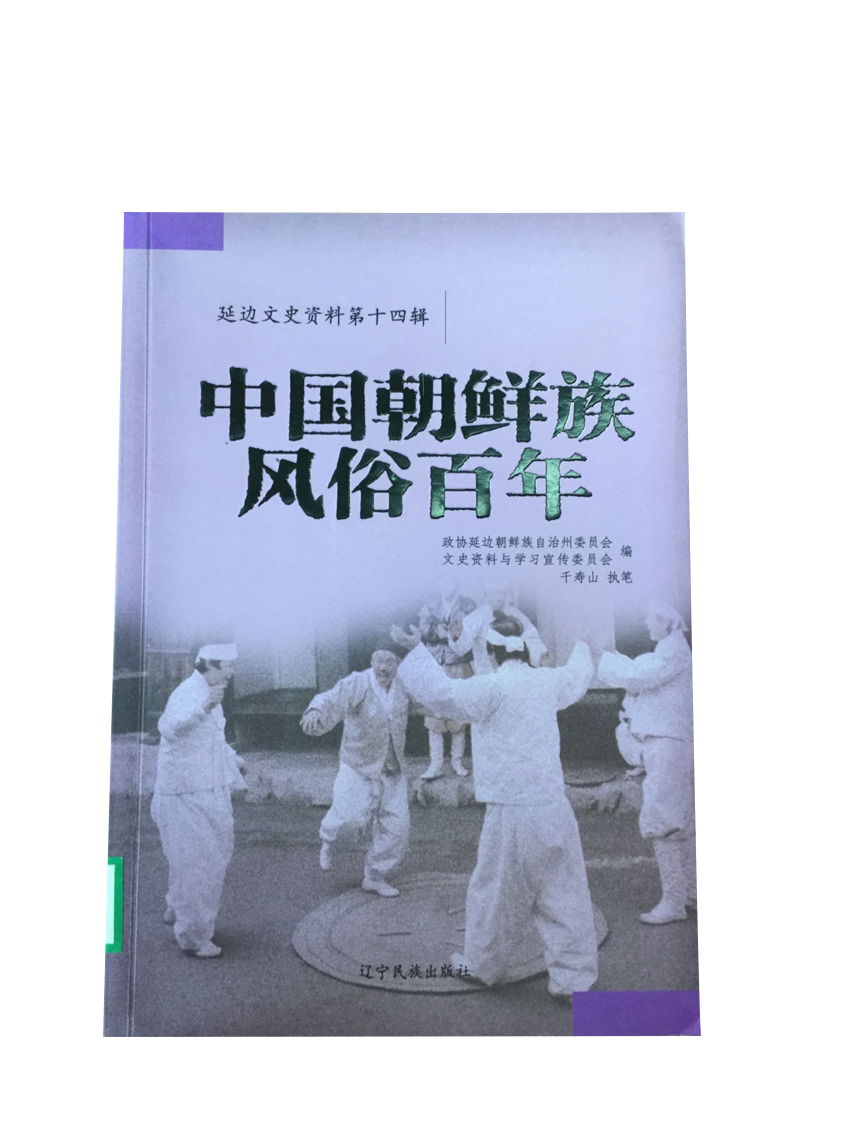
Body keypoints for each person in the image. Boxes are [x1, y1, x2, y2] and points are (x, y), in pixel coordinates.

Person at [398, 616, 598, 1000]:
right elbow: (577, 677)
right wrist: (582, 644)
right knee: (565, 893)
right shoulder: (546, 681)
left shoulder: (490, 687)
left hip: (512, 810)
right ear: (523, 648)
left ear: (490, 653)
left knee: (495, 895)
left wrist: (414, 649)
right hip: (553, 806)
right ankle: (574, 979)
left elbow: (441, 693)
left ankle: (482, 965)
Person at [598, 602, 696, 924]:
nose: (645, 622)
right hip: (669, 742)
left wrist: (605, 654)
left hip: (668, 743)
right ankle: (691, 892)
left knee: (664, 820)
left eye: (651, 617)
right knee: (681, 820)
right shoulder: (669, 652)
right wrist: (612, 655)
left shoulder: (672, 652)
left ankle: (675, 901)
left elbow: (638, 675)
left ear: (667, 623)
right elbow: (640, 671)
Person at [151, 643, 246, 957]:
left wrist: (234, 759)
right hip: (185, 791)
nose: (232, 673)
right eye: (228, 666)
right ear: (212, 665)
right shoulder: (189, 693)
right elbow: (169, 728)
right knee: (199, 861)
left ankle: (178, 906)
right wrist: (203, 707)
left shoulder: (210, 693)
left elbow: (210, 739)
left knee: (206, 851)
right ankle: (194, 937)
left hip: (205, 787)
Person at [300, 646, 410, 897]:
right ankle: (328, 840)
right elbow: (331, 698)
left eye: (389, 661)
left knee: (397, 828)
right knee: (349, 819)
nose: (383, 667)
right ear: (371, 660)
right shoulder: (358, 682)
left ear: (398, 664)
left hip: (392, 767)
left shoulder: (404, 685)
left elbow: (433, 696)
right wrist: (316, 710)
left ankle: (375, 876)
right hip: (357, 764)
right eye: (378, 660)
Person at [416, 585, 476, 779]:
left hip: (458, 662)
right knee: (435, 714)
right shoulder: (430, 604)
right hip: (435, 662)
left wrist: (455, 634)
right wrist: (445, 632)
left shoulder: (467, 605)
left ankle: (457, 761)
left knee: (459, 713)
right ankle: (436, 763)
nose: (446, 584)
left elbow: (470, 632)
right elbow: (423, 630)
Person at [448, 586, 548, 675]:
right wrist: (457, 636)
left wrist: (540, 655)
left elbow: (531, 637)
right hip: (487, 676)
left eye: (501, 592)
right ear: (486, 594)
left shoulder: (516, 614)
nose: (497, 597)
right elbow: (461, 648)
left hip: (515, 674)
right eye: (493, 593)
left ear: (505, 592)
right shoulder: (476, 617)